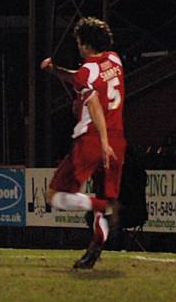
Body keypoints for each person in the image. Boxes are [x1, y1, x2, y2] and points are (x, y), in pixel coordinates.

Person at [40, 16, 127, 269]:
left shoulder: (88, 71)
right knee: (104, 196)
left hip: (91, 140)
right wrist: (55, 70)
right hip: (118, 141)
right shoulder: (115, 60)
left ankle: (102, 206)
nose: (78, 46)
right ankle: (95, 246)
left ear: (85, 44)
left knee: (54, 196)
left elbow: (94, 104)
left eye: (79, 42)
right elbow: (81, 78)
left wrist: (101, 141)